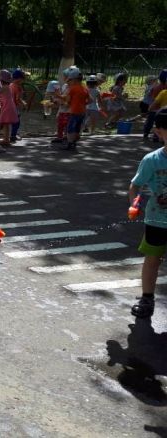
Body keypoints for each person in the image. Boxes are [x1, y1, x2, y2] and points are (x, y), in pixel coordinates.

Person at [128, 108, 167, 318]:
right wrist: (134, 204)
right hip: (157, 220)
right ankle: (147, 298)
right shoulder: (152, 160)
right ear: (158, 132)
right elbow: (136, 185)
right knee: (152, 259)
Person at [61, 68, 90, 151]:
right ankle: (74, 142)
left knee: (70, 128)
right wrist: (83, 104)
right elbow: (90, 100)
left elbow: (67, 101)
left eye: (70, 80)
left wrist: (63, 103)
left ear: (75, 79)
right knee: (77, 128)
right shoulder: (85, 89)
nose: (69, 81)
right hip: (82, 112)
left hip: (74, 111)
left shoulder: (73, 89)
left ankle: (70, 144)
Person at [143, 69, 167, 141]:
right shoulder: (159, 88)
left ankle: (149, 133)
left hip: (156, 109)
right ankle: (154, 135)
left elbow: (153, 98)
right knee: (157, 124)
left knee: (154, 123)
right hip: (158, 109)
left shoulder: (158, 88)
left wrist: (151, 107)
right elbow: (154, 98)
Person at [51, 68, 73, 144]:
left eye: (65, 77)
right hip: (62, 109)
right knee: (60, 123)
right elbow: (61, 95)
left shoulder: (72, 88)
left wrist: (59, 98)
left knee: (66, 123)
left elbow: (67, 99)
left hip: (68, 110)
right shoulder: (65, 86)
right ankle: (60, 136)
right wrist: (55, 100)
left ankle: (66, 136)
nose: (64, 78)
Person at [0, 70, 19, 146]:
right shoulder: (7, 87)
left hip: (7, 107)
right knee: (5, 124)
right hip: (9, 106)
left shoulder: (4, 87)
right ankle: (6, 139)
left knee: (0, 122)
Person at [10, 68, 27, 142]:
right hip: (14, 107)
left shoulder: (10, 85)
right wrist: (23, 104)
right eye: (23, 79)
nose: (23, 81)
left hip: (8, 106)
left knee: (5, 122)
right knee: (16, 122)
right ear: (19, 79)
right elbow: (18, 99)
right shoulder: (18, 87)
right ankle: (13, 135)